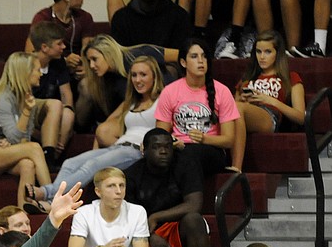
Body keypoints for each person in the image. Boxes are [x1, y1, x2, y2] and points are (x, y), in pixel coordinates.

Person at [28, 56, 165, 205]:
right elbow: (104, 127)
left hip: (136, 150)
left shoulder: (162, 100)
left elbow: (163, 133)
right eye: (134, 75)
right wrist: (94, 153)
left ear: (154, 76)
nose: (137, 80)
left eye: (143, 75)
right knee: (70, 163)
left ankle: (48, 193)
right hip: (118, 146)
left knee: (92, 165)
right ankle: (51, 204)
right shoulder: (131, 102)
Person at [125, 128, 222, 247]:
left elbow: (194, 204)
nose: (163, 151)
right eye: (156, 147)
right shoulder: (131, 175)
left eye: (168, 146)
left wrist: (155, 217)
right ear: (144, 150)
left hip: (175, 227)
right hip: (141, 231)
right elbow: (127, 216)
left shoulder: (186, 164)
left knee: (194, 219)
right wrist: (149, 235)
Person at [0, 51, 56, 209]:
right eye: (37, 69)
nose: (40, 73)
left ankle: (26, 211)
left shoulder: (28, 98)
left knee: (27, 164)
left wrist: (12, 141)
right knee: (35, 148)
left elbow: (23, 139)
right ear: (25, 73)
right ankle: (52, 199)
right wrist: (26, 112)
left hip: (6, 147)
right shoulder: (1, 96)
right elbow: (18, 139)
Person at [155, 37, 240, 176]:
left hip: (211, 150)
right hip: (180, 149)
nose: (201, 61)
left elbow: (229, 140)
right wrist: (172, 142)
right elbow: (161, 134)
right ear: (183, 62)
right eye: (194, 56)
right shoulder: (169, 91)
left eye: (204, 56)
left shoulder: (222, 91)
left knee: (189, 154)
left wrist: (204, 139)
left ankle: (192, 198)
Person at [230, 30, 306, 171]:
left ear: (277, 53)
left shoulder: (290, 77)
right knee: (233, 108)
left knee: (238, 108)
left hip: (270, 115)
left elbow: (301, 117)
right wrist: (242, 98)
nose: (262, 57)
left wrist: (270, 100)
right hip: (246, 112)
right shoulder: (247, 79)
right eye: (258, 52)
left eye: (267, 52)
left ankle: (236, 167)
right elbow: (233, 108)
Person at [28, 0, 97, 79]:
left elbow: (88, 49)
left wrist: (86, 67)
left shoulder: (84, 17)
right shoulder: (43, 18)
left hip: (77, 71)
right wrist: (64, 61)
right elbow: (30, 53)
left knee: (88, 83)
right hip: (52, 71)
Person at [110, 0, 193, 51]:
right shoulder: (121, 17)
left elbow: (181, 53)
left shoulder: (179, 16)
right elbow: (119, 53)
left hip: (169, 63)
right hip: (133, 63)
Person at [28, 22, 75, 167]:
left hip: (53, 114)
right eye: (59, 44)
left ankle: (53, 154)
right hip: (29, 113)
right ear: (44, 47)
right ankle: (48, 151)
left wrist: (60, 134)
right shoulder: (27, 64)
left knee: (68, 112)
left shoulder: (58, 62)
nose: (64, 47)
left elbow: (66, 95)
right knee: (54, 105)